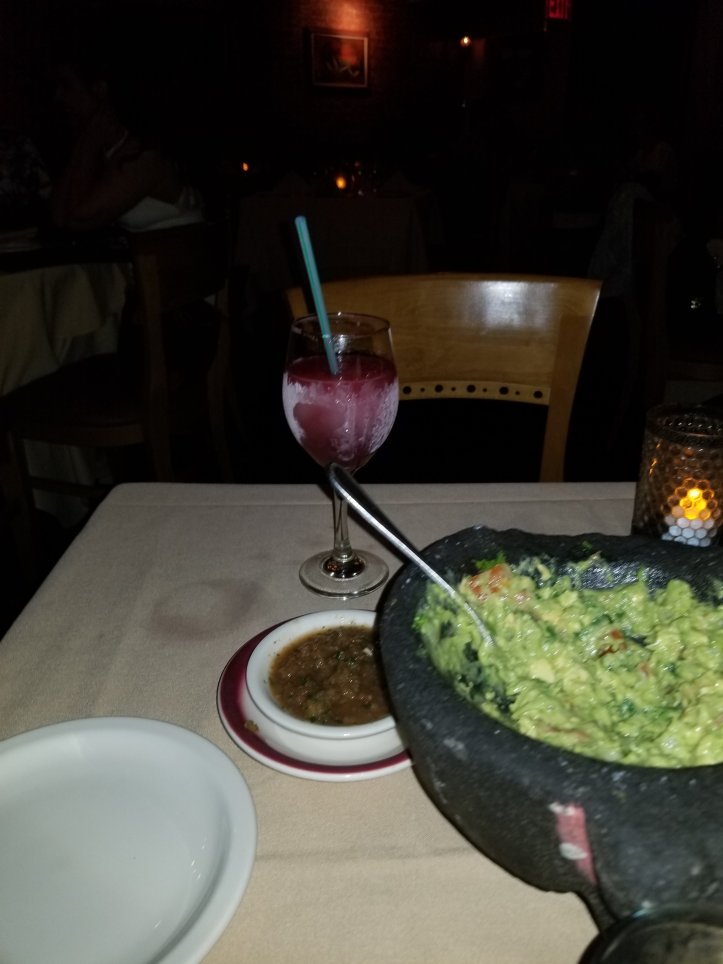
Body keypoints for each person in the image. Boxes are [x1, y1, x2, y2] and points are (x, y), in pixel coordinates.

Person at [47, 55, 203, 233]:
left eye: (67, 85)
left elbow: (79, 219)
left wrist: (89, 143)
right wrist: (84, 143)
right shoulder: (98, 147)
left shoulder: (143, 152)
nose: (58, 96)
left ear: (99, 89)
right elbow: (58, 217)